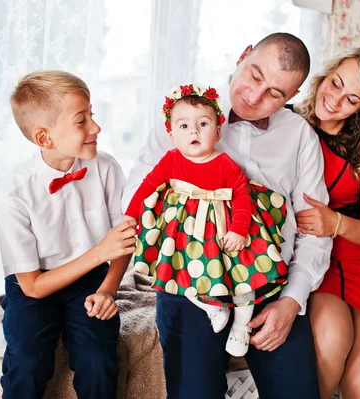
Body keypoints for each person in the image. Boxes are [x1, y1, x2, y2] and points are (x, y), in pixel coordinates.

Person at [123, 33, 331, 399]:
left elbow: (315, 232)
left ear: (292, 98)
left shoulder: (300, 136)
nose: (254, 97)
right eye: (254, 75)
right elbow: (138, 193)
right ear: (243, 55)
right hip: (190, 281)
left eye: (275, 93)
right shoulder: (186, 113)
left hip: (270, 284)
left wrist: (292, 301)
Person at [0, 71, 137, 399]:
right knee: (27, 361)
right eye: (81, 121)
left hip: (91, 280)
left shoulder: (107, 168)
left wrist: (109, 290)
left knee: (98, 359)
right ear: (44, 138)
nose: (96, 128)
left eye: (92, 115)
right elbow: (33, 286)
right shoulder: (10, 195)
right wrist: (100, 251)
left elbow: (123, 240)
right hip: (34, 285)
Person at [124, 83, 289, 357]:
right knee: (183, 274)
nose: (195, 132)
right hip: (187, 235)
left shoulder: (224, 163)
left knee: (244, 277)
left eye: (203, 123)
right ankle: (212, 306)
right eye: (184, 126)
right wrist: (130, 216)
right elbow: (147, 187)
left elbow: (241, 197)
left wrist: (238, 230)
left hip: (224, 230)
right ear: (171, 134)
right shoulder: (171, 160)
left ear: (218, 130)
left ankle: (241, 325)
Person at [291, 47, 360, 398]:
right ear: (326, 73)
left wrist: (336, 222)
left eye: (351, 98)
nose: (335, 100)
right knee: (330, 345)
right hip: (317, 259)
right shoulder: (288, 122)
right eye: (335, 83)